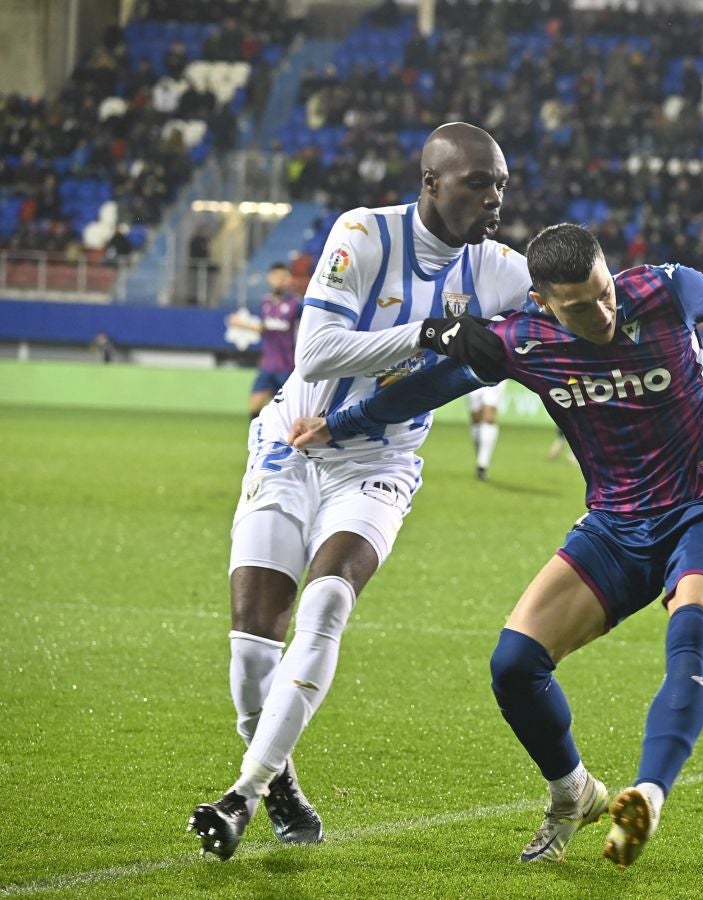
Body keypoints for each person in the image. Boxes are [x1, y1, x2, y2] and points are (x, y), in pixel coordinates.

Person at [290, 224, 703, 868]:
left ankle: (648, 792)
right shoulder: (522, 339)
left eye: (605, 294)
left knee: (692, 627)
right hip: (615, 528)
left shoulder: (665, 290)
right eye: (581, 307)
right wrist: (337, 425)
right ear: (543, 300)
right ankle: (574, 794)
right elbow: (429, 388)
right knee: (513, 666)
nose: (603, 313)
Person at [187, 123, 533, 861]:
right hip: (292, 440)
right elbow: (313, 352)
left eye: (501, 181)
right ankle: (280, 781)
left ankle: (244, 793)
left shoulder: (502, 270)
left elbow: (584, 304)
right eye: (479, 181)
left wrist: (685, 357)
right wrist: (431, 333)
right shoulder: (363, 235)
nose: (495, 194)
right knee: (252, 649)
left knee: (329, 600)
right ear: (431, 183)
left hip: (378, 460)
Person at [227, 262, 303, 418]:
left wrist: (241, 324)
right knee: (254, 405)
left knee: (292, 410)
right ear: (269, 278)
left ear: (288, 279)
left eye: (282, 277)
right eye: (275, 277)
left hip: (288, 366)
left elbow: (266, 327)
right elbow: (265, 329)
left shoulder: (296, 304)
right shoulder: (266, 302)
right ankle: (257, 440)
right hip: (268, 365)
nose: (279, 280)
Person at [466, 382, 504, 479]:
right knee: (476, 418)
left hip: (496, 374)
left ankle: (482, 464)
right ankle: (481, 458)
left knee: (488, 416)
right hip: (474, 372)